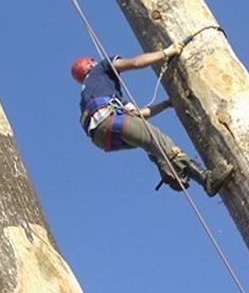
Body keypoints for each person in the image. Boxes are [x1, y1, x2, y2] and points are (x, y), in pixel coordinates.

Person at [71, 43, 233, 196]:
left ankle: (167, 167)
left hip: (102, 138)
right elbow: (135, 62)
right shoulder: (100, 69)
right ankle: (206, 179)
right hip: (109, 120)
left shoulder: (92, 95)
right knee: (161, 141)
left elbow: (139, 115)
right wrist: (166, 52)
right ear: (90, 64)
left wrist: (165, 104)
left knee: (151, 145)